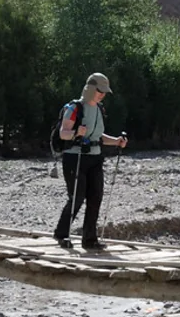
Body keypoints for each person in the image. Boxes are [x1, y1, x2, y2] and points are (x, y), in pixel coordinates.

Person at [53, 72, 127, 250]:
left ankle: (90, 239)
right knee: (77, 197)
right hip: (75, 157)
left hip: (95, 157)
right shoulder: (74, 108)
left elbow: (98, 136)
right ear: (90, 89)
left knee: (95, 197)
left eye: (104, 91)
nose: (102, 94)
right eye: (99, 90)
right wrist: (76, 133)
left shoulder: (99, 109)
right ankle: (61, 234)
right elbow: (63, 133)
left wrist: (117, 141)